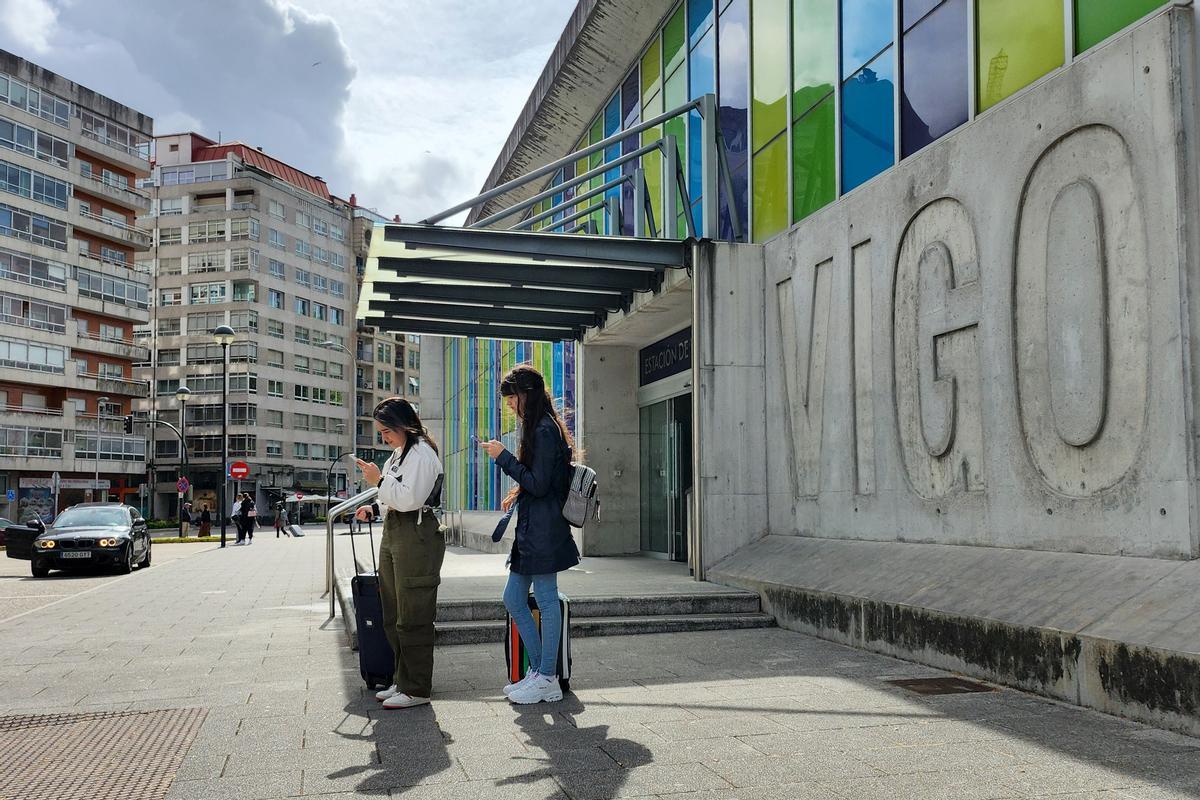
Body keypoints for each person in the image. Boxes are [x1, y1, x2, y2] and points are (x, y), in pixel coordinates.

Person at [480, 364, 579, 705]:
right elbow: (538, 481)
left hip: (544, 527)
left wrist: (503, 457)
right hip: (534, 527)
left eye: (512, 400)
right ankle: (539, 671)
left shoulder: (543, 429)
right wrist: (518, 488)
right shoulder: (540, 427)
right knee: (513, 599)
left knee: (548, 600)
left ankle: (547, 677)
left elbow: (538, 484)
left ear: (527, 395)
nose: (510, 407)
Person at [353, 397, 444, 710]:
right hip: (397, 529)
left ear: (403, 424)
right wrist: (375, 506)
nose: (384, 437)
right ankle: (403, 680)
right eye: (380, 433)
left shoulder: (421, 452)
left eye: (386, 431)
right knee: (392, 611)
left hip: (416, 533)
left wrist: (378, 481)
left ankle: (416, 687)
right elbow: (395, 496)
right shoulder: (400, 454)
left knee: (413, 611)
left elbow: (410, 498)